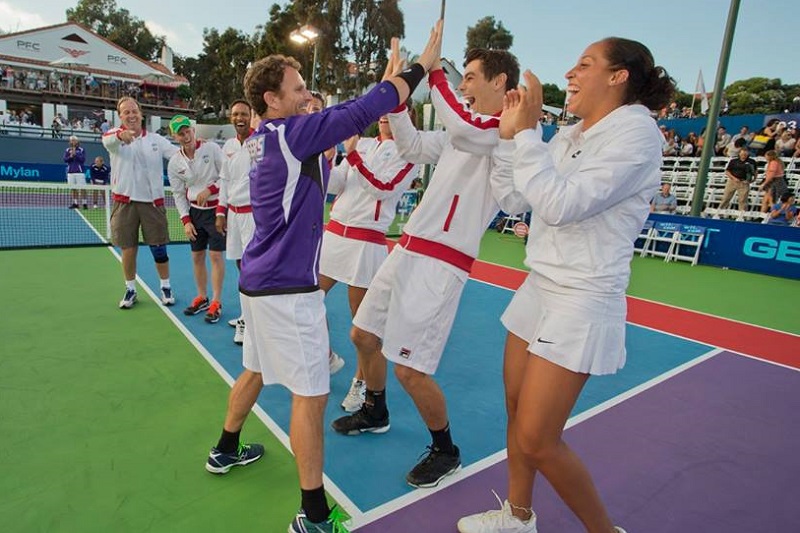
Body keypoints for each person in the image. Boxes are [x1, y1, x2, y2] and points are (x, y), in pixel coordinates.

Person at [204, 23, 442, 533]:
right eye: (297, 90)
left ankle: (225, 450)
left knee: (256, 370)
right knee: (310, 398)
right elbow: (361, 109)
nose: (306, 96)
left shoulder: (267, 139)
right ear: (273, 98)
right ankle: (312, 515)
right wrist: (421, 66)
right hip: (289, 291)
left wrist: (392, 69)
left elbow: (357, 117)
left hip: (261, 284)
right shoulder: (292, 135)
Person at [457, 37, 674, 533]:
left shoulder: (636, 138)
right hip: (541, 285)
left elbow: (560, 204)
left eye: (585, 65)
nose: (571, 74)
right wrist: (511, 140)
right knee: (515, 409)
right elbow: (515, 200)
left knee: (537, 439)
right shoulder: (571, 134)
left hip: (582, 295)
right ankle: (518, 517)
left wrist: (528, 136)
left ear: (618, 76)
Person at [331, 43, 524, 490]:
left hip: (441, 264)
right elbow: (413, 145)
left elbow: (461, 124)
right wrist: (396, 101)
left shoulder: (499, 132)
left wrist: (431, 72)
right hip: (410, 249)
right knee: (363, 334)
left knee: (410, 369)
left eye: (470, 77)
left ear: (500, 82)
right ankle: (375, 410)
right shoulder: (464, 133)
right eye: (461, 78)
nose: (464, 86)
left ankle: (445, 450)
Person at [320, 112, 419, 412]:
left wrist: (352, 156)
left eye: (395, 111)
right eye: (385, 111)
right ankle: (326, 357)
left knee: (362, 326)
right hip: (335, 235)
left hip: (366, 243)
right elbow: (337, 184)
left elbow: (382, 188)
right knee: (307, 297)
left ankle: (360, 383)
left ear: (408, 118)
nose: (387, 116)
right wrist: (329, 160)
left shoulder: (409, 155)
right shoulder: (360, 143)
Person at [102, 96, 178, 309]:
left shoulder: (156, 140)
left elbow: (175, 155)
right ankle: (131, 289)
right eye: (126, 112)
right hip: (124, 202)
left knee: (159, 249)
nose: (131, 115)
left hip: (153, 203)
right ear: (120, 116)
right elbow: (108, 139)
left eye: (134, 111)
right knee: (128, 249)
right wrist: (121, 135)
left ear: (141, 114)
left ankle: (165, 286)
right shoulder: (113, 139)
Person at [167, 115, 226, 323]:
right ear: (175, 137)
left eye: (187, 131)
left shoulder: (212, 149)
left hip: (216, 211)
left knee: (216, 257)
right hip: (194, 214)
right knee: (197, 257)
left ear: (193, 130)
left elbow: (226, 176)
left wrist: (210, 189)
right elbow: (177, 193)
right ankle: (202, 296)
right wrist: (186, 221)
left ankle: (216, 302)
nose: (185, 136)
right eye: (180, 134)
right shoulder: (175, 163)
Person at [215, 99, 256, 344]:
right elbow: (225, 180)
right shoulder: (229, 145)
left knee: (252, 267)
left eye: (243, 114)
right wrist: (220, 212)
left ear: (251, 116)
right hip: (233, 214)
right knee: (241, 266)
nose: (239, 118)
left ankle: (249, 321)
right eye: (235, 114)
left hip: (253, 215)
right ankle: (246, 314)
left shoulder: (258, 142)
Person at [719, 147, 757, 213]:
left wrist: (754, 179)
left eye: (745, 154)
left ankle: (742, 214)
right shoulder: (733, 161)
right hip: (732, 181)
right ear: (739, 154)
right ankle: (720, 211)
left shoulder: (752, 161)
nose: (744, 156)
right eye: (742, 154)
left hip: (744, 182)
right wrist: (734, 178)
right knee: (726, 198)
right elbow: (727, 171)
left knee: (743, 200)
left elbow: (755, 171)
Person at [63, 135, 87, 209]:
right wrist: (70, 156)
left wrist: (75, 154)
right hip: (70, 172)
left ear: (77, 141)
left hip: (79, 172)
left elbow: (83, 159)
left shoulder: (81, 150)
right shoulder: (67, 150)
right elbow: (65, 159)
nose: (73, 142)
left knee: (82, 188)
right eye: (71, 140)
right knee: (73, 188)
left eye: (74, 140)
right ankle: (75, 203)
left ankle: (84, 203)